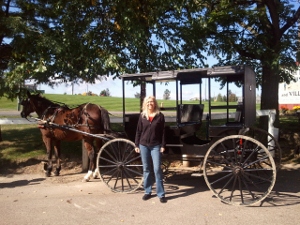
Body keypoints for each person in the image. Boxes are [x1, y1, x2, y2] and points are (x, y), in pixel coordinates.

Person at [134, 96, 167, 203]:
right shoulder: (142, 116)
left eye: (152, 102)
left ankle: (161, 194)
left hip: (155, 145)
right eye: (148, 102)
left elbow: (163, 132)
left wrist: (163, 145)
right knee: (146, 169)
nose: (150, 103)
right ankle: (147, 192)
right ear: (145, 104)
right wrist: (136, 145)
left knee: (157, 169)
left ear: (155, 103)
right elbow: (138, 131)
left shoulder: (160, 116)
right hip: (143, 145)